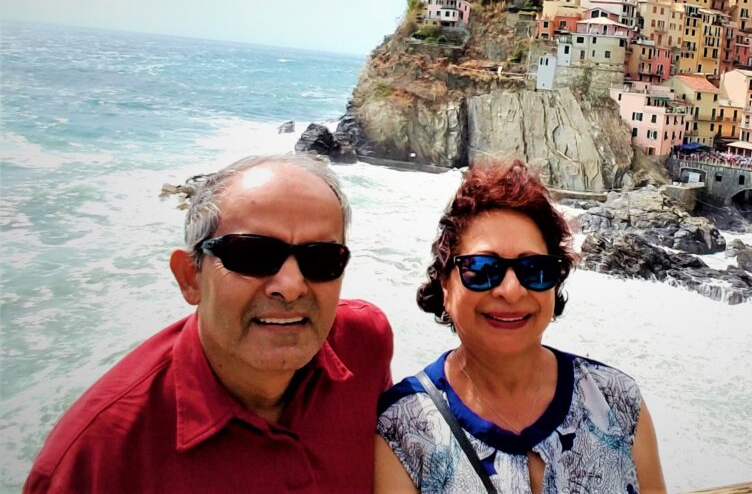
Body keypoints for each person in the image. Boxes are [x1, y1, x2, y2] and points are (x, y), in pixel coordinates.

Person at [25, 153, 393, 494]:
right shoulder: (96, 458)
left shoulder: (364, 344)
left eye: (322, 258)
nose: (291, 286)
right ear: (190, 277)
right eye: (252, 254)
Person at [374, 160, 666, 494]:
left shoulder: (617, 400)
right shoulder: (404, 425)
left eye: (534, 269)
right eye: (482, 268)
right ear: (444, 284)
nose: (511, 290)